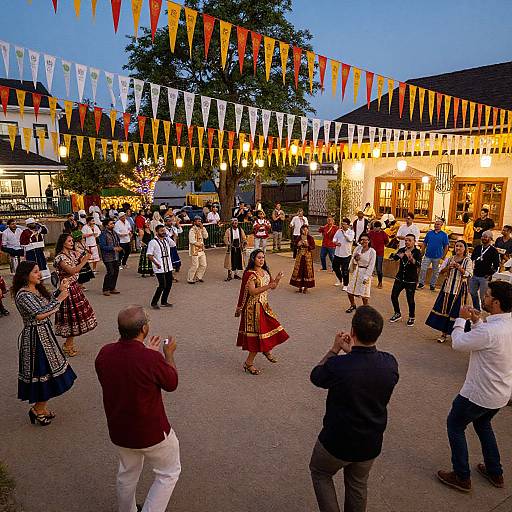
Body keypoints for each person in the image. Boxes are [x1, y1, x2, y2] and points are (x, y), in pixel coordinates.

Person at [309, 306, 399, 512]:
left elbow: (317, 375)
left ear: (353, 332)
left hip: (336, 441)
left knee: (321, 473)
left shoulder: (339, 366)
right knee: (357, 485)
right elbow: (364, 367)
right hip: (370, 442)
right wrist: (353, 352)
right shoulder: (390, 363)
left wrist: (335, 349)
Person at [95, 306, 180, 512]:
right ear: (144, 329)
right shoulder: (150, 359)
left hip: (120, 430)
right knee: (168, 472)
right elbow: (171, 382)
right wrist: (167, 355)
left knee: (127, 473)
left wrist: (147, 353)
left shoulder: (104, 353)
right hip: (151, 432)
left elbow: (128, 372)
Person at [437, 281, 512, 493]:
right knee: (483, 425)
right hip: (500, 394)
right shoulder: (504, 324)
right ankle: (495, 471)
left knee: (455, 425)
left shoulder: (491, 331)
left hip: (479, 393)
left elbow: (459, 342)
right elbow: (486, 340)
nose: (484, 298)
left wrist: (461, 318)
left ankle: (461, 476)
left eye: (487, 296)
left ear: (496, 302)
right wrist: (477, 321)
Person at [12, 261, 76, 426]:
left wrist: (60, 290)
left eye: (38, 271)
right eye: (35, 272)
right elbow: (39, 314)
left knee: (48, 373)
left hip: (44, 335)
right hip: (35, 339)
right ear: (26, 275)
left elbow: (46, 304)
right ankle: (38, 410)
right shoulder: (22, 294)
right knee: (42, 374)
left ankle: (40, 408)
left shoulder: (35, 289)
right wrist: (60, 299)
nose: (39, 274)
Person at [235, 249, 288, 375]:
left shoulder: (265, 272)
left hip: (264, 306)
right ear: (253, 259)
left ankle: (266, 350)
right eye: (259, 257)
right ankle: (248, 363)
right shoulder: (250, 274)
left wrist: (277, 279)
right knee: (257, 337)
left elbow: (273, 286)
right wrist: (269, 286)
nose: (261, 260)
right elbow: (253, 292)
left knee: (274, 328)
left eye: (263, 257)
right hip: (253, 309)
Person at [53, 234, 97, 357]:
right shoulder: (60, 258)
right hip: (66, 289)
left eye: (72, 240)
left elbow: (77, 263)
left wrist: (83, 255)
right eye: (69, 241)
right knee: (72, 319)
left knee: (76, 318)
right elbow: (72, 270)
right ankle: (68, 345)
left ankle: (69, 344)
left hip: (74, 287)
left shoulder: (71, 254)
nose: (72, 243)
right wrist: (85, 260)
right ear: (63, 242)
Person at [425, 240, 473, 343]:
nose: (458, 248)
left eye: (460, 246)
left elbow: (468, 274)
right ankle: (443, 334)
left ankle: (457, 335)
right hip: (447, 288)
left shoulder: (468, 260)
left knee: (457, 312)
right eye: (456, 246)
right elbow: (441, 271)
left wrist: (460, 268)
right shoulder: (449, 259)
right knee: (445, 310)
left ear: (465, 249)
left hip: (460, 290)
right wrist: (448, 267)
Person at [389, 234, 422, 326]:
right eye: (406, 240)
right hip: (400, 278)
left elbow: (419, 264)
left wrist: (411, 259)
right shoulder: (402, 250)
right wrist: (396, 255)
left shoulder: (417, 252)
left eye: (409, 240)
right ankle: (397, 313)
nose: (407, 242)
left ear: (414, 242)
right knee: (393, 296)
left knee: (410, 299)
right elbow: (392, 259)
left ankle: (411, 317)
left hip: (411, 280)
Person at [145, 224, 176, 310]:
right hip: (159, 266)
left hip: (168, 266)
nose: (163, 232)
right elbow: (149, 255)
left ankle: (164, 301)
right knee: (162, 285)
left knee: (169, 284)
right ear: (157, 232)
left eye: (164, 231)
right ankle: (154, 302)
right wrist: (156, 263)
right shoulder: (153, 242)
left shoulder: (166, 240)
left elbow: (173, 244)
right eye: (161, 231)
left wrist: (168, 237)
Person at [469, 230, 500, 310]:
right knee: (472, 292)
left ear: (490, 238)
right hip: (474, 274)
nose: (484, 238)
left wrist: (489, 274)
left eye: (486, 237)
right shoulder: (478, 248)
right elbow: (471, 259)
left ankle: (484, 309)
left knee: (483, 296)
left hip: (484, 277)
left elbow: (496, 266)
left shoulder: (494, 251)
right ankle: (477, 308)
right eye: (483, 236)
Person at [346, 233, 376, 313]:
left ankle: (365, 310)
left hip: (366, 272)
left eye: (365, 240)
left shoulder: (372, 251)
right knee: (350, 291)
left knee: (364, 294)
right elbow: (353, 259)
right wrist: (356, 259)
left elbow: (371, 265)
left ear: (369, 241)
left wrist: (366, 277)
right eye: (362, 239)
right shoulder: (358, 248)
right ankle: (353, 305)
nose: (363, 241)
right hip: (357, 271)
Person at [417, 219, 449, 291]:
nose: (436, 225)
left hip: (438, 257)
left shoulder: (444, 235)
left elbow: (446, 246)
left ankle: (432, 285)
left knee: (435, 272)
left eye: (438, 224)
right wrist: (422, 252)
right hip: (427, 255)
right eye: (435, 224)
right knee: (423, 269)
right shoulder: (429, 233)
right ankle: (421, 283)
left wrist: (443, 256)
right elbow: (424, 243)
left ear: (441, 226)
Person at [99, 219, 122, 296]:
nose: (113, 225)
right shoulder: (103, 234)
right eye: (111, 224)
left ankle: (112, 288)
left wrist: (118, 247)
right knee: (110, 272)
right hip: (107, 256)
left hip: (115, 256)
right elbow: (102, 246)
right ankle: (105, 289)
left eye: (113, 223)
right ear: (106, 225)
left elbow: (117, 241)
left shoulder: (114, 233)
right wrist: (113, 248)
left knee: (116, 272)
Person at [289, 225, 316, 293]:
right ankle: (299, 287)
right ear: (301, 230)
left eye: (307, 230)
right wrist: (297, 244)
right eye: (304, 230)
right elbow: (294, 246)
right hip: (300, 256)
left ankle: (306, 288)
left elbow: (313, 247)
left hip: (308, 256)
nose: (305, 231)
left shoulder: (310, 238)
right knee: (299, 270)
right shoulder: (299, 237)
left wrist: (308, 245)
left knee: (307, 271)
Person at [332, 218, 354, 289]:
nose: (343, 225)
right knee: (335, 267)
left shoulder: (351, 232)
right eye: (342, 224)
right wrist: (335, 242)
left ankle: (346, 284)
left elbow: (350, 239)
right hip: (337, 253)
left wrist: (344, 233)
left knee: (345, 270)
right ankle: (340, 279)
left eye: (344, 224)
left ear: (348, 225)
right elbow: (334, 238)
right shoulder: (338, 231)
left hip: (346, 254)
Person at [367, 221, 389, 288]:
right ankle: (366, 281)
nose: (375, 229)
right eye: (374, 227)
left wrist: (382, 247)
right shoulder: (370, 233)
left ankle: (380, 282)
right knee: (368, 267)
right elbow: (366, 239)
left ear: (379, 228)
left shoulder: (383, 234)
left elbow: (387, 242)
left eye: (376, 227)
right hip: (371, 253)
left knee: (379, 269)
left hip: (380, 253)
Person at [187, 216, 208, 284]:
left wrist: (203, 229)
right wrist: (199, 244)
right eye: (198, 221)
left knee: (203, 264)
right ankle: (190, 278)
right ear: (194, 222)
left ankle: (198, 277)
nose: (199, 222)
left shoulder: (202, 228)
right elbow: (191, 240)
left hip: (201, 250)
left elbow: (206, 236)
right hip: (194, 250)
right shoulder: (192, 230)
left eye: (200, 221)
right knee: (195, 265)